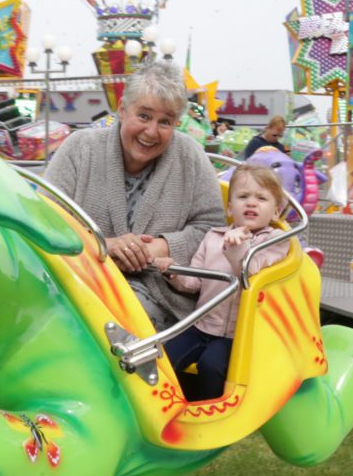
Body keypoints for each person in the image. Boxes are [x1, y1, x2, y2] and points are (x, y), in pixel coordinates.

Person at [45, 61, 225, 330]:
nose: (151, 131)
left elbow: (212, 228)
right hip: (78, 283)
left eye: (165, 121)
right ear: (122, 109)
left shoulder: (189, 156)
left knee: (111, 324)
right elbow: (46, 221)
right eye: (144, 116)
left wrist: (156, 249)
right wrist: (103, 246)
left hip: (161, 297)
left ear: (176, 123)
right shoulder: (79, 149)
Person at [154, 164, 290, 400]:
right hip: (203, 324)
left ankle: (212, 417)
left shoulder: (276, 241)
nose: (251, 202)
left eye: (261, 198)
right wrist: (173, 272)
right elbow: (195, 281)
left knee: (212, 367)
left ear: (276, 212)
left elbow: (250, 273)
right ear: (229, 207)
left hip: (236, 333)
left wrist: (238, 247)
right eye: (243, 196)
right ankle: (167, 409)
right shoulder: (213, 237)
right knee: (164, 357)